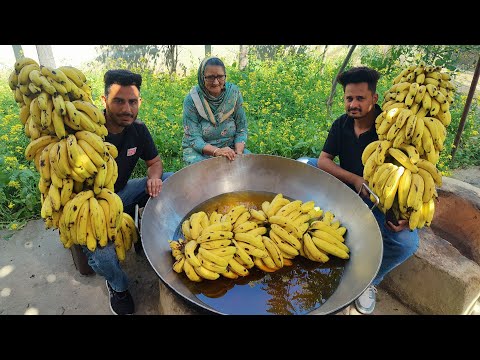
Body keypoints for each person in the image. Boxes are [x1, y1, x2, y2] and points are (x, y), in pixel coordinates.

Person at [297, 66, 419, 315]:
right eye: (348, 98)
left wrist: (410, 215)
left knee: (407, 243)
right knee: (302, 164)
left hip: (376, 200)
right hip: (348, 186)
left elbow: (412, 177)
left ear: (374, 98)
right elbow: (323, 160)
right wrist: (354, 179)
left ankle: (369, 282)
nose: (353, 104)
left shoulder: (391, 131)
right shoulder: (341, 124)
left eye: (360, 98)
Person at [83, 69, 173, 315]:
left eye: (132, 102)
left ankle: (147, 228)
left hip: (122, 193)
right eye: (119, 101)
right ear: (104, 101)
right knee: (104, 256)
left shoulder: (138, 130)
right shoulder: (87, 134)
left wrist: (154, 178)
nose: (127, 109)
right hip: (91, 206)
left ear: (139, 102)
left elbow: (154, 162)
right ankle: (118, 285)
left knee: (170, 180)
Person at [181, 56, 250, 165]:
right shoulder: (192, 99)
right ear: (202, 77)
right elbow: (193, 137)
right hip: (201, 151)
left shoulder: (233, 94)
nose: (216, 82)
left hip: (230, 149)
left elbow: (241, 128)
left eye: (220, 76)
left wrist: (238, 153)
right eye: (210, 77)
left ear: (225, 76)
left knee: (248, 166)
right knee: (205, 173)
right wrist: (217, 151)